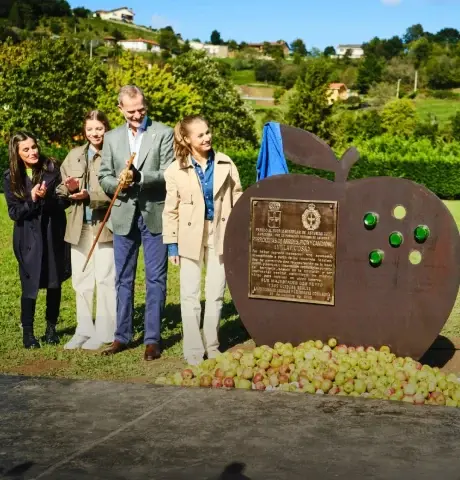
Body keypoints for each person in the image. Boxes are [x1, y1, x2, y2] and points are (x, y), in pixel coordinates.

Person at [98, 85, 175, 361]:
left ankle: (153, 339)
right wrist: (116, 181)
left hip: (154, 213)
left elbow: (169, 172)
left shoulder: (164, 133)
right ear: (120, 109)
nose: (137, 115)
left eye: (141, 109)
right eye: (131, 111)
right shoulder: (111, 138)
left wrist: (139, 177)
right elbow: (103, 176)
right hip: (123, 216)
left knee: (156, 279)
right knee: (123, 279)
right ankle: (122, 335)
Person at [162, 115, 243, 366]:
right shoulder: (174, 170)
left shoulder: (226, 164)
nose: (207, 137)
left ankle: (212, 344)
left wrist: (237, 237)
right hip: (189, 236)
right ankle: (193, 348)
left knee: (216, 292)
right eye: (200, 135)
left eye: (208, 132)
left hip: (220, 233)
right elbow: (171, 210)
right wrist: (172, 245)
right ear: (187, 139)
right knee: (190, 294)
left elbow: (238, 199)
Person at [3, 132, 71, 349]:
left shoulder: (53, 169)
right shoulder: (10, 177)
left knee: (53, 280)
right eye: (26, 149)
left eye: (34, 147)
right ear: (17, 153)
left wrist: (47, 199)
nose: (33, 152)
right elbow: (14, 213)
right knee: (29, 283)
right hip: (27, 237)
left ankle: (51, 329)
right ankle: (28, 333)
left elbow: (64, 202)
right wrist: (32, 199)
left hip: (52, 232)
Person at [56, 110, 116, 350]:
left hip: (104, 226)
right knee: (81, 280)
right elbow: (61, 187)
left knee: (104, 278)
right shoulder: (74, 156)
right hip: (78, 225)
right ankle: (83, 330)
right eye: (90, 129)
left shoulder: (114, 155)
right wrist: (68, 190)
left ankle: (104, 331)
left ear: (106, 128)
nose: (94, 133)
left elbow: (117, 191)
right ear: (84, 131)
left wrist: (90, 195)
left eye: (99, 128)